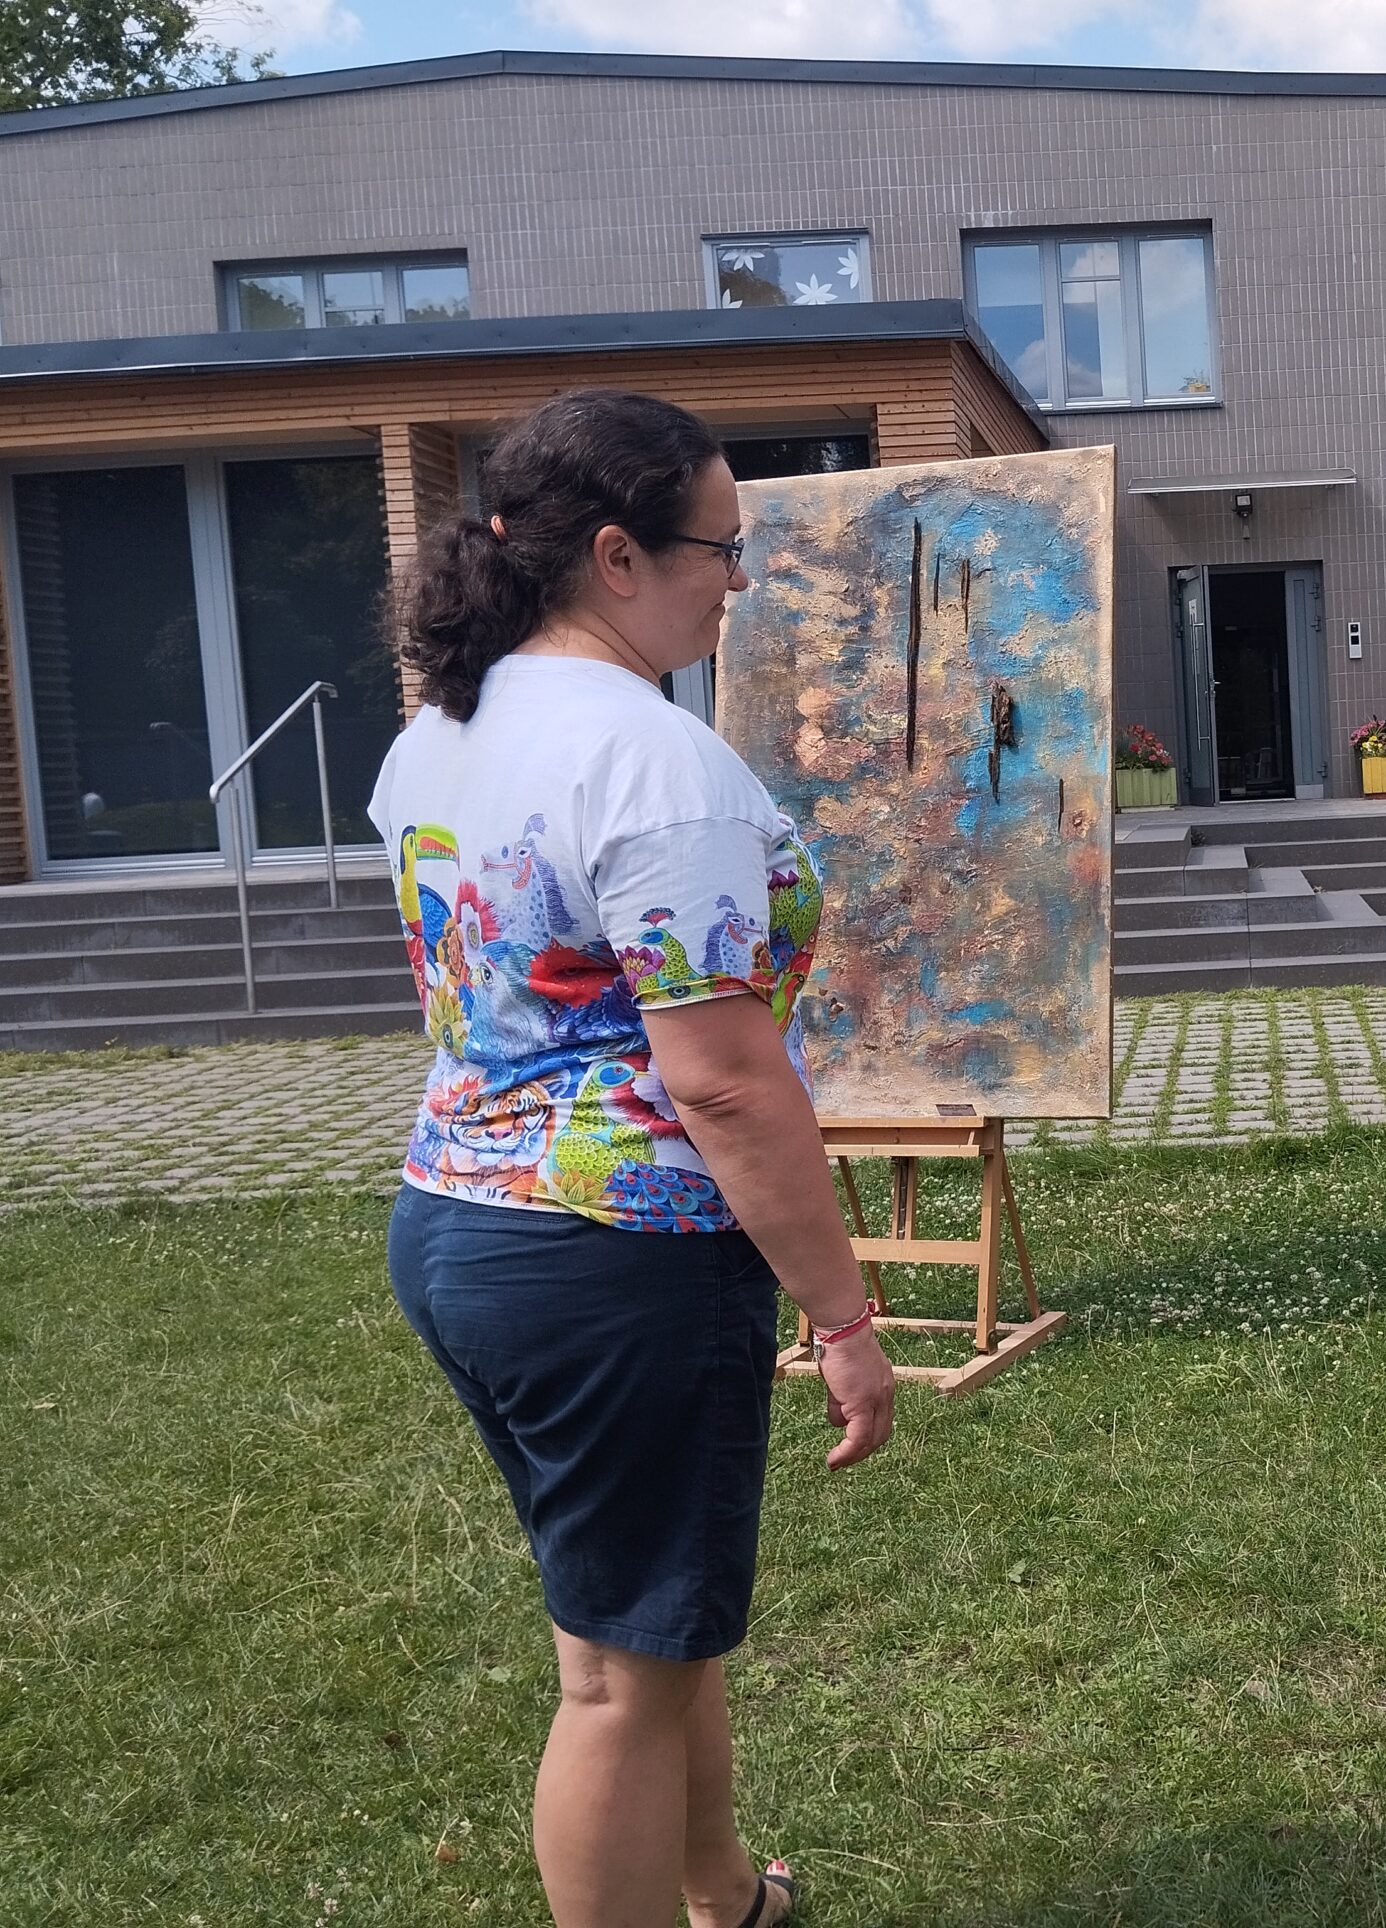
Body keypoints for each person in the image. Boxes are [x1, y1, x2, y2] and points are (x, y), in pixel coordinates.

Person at [368, 387, 894, 1928]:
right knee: (611, 1682)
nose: (738, 582)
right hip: (616, 1257)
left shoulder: (440, 736)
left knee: (641, 1629)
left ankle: (721, 1893)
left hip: (461, 1224)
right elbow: (721, 1084)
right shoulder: (653, 760)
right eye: (721, 549)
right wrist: (847, 1317)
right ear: (615, 554)